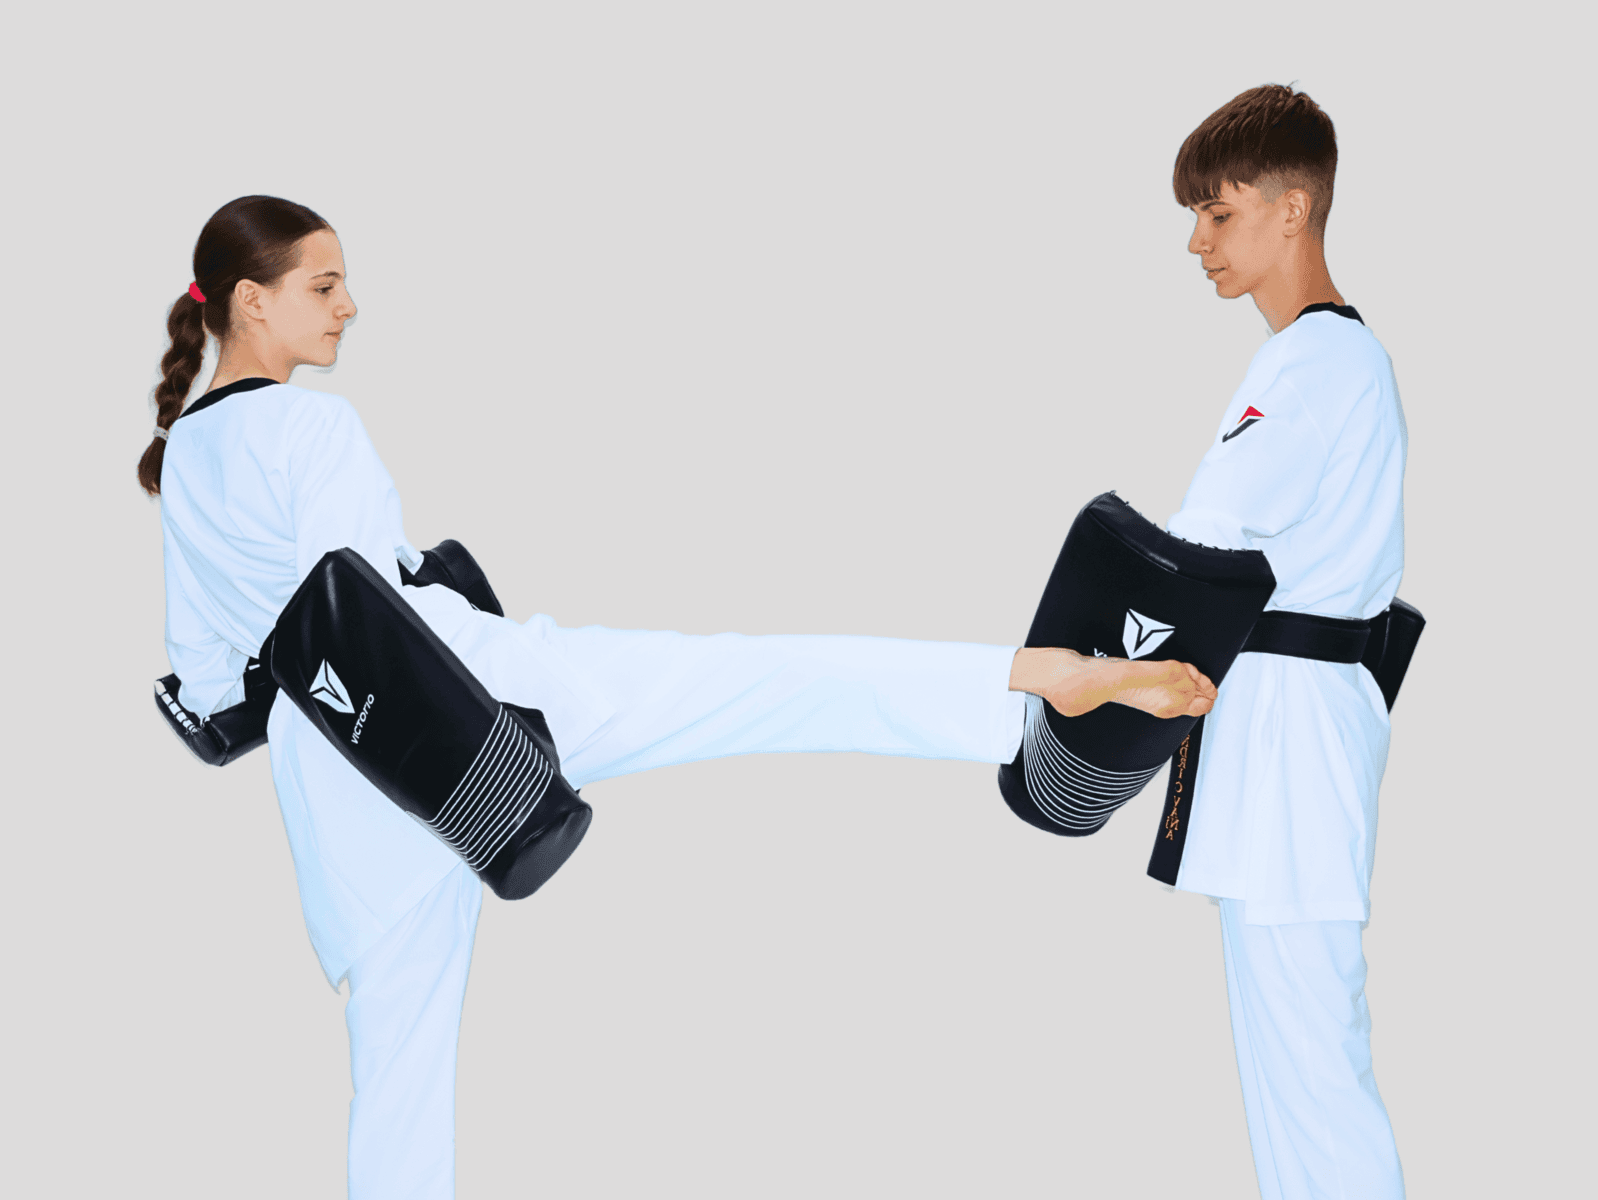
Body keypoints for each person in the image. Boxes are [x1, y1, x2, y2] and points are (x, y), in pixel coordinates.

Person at [141, 195, 1215, 1200]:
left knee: (396, 1073)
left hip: (336, 781)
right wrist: (476, 692)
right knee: (767, 681)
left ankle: (1022, 682)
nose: (349, 305)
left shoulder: (184, 451)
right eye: (324, 285)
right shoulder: (311, 428)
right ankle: (1032, 680)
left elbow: (207, 678)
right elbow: (370, 612)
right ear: (252, 301)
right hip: (469, 706)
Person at [1164, 85, 1408, 1198]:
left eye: (1218, 212)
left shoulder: (1317, 364)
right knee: (1290, 1076)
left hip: (1294, 755)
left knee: (1311, 1071)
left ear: (1292, 209)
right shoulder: (1317, 362)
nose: (1197, 241)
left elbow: (1204, 541)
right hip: (1281, 740)